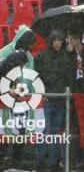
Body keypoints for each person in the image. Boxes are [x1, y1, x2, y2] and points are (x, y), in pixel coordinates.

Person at [35, 30, 76, 170]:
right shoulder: (41, 56)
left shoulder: (66, 56)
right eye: (55, 40)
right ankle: (41, 161)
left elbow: (71, 76)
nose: (57, 43)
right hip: (47, 99)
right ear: (50, 41)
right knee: (44, 131)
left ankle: (52, 163)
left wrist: (72, 54)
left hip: (60, 100)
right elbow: (36, 76)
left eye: (60, 40)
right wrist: (41, 90)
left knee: (54, 132)